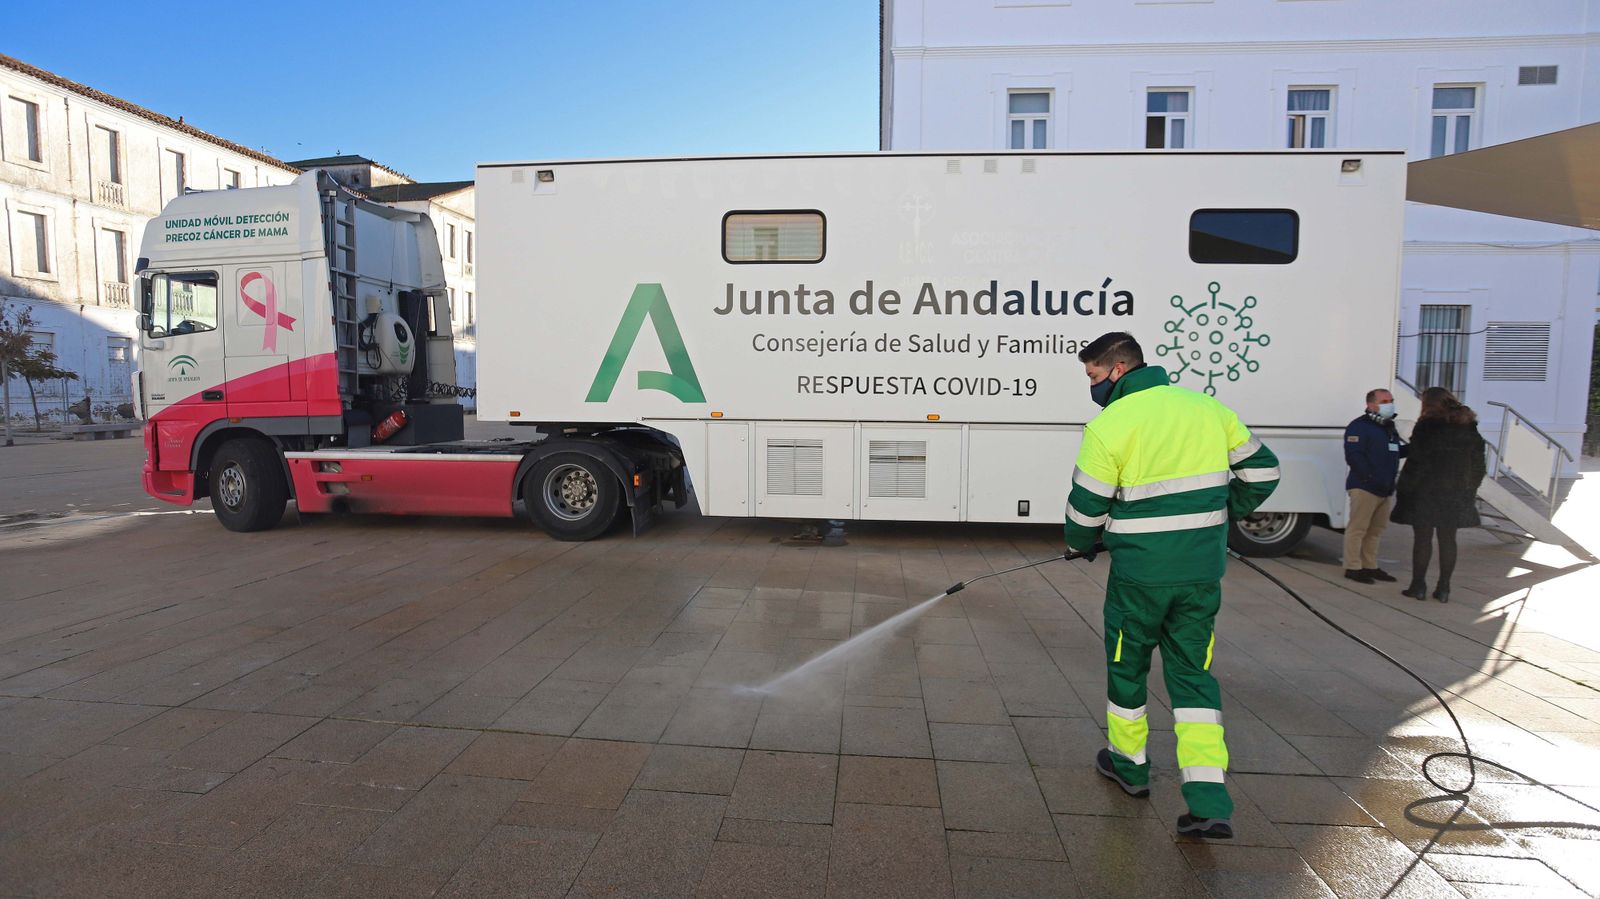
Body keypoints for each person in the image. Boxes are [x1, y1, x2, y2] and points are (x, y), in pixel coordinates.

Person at [1063, 332, 1280, 841]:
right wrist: (1219, 517)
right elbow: (1264, 471)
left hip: (1139, 580)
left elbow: (1086, 507)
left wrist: (1082, 543)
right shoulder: (1208, 408)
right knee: (1194, 679)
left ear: (1117, 370)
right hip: (1200, 578)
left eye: (1094, 376)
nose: (1092, 387)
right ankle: (1208, 801)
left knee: (1127, 670)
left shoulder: (1109, 425)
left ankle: (1129, 767)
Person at [1390, 387, 1486, 603]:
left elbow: (1416, 461)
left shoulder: (1426, 426)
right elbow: (1479, 464)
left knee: (1422, 539)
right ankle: (1444, 589)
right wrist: (1469, 488)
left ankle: (1418, 586)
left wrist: (1406, 489)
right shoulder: (1468, 426)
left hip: (1425, 492)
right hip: (1455, 494)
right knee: (1448, 540)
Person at [1343, 388, 1406, 584]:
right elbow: (1354, 456)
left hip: (1385, 488)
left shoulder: (1388, 427)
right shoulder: (1359, 426)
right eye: (1384, 401)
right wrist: (1370, 477)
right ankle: (1353, 567)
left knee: (1376, 530)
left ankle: (1370, 565)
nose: (1390, 404)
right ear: (1371, 405)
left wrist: (1413, 449)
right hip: (1365, 487)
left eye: (1391, 400)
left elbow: (1392, 452)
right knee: (1358, 529)